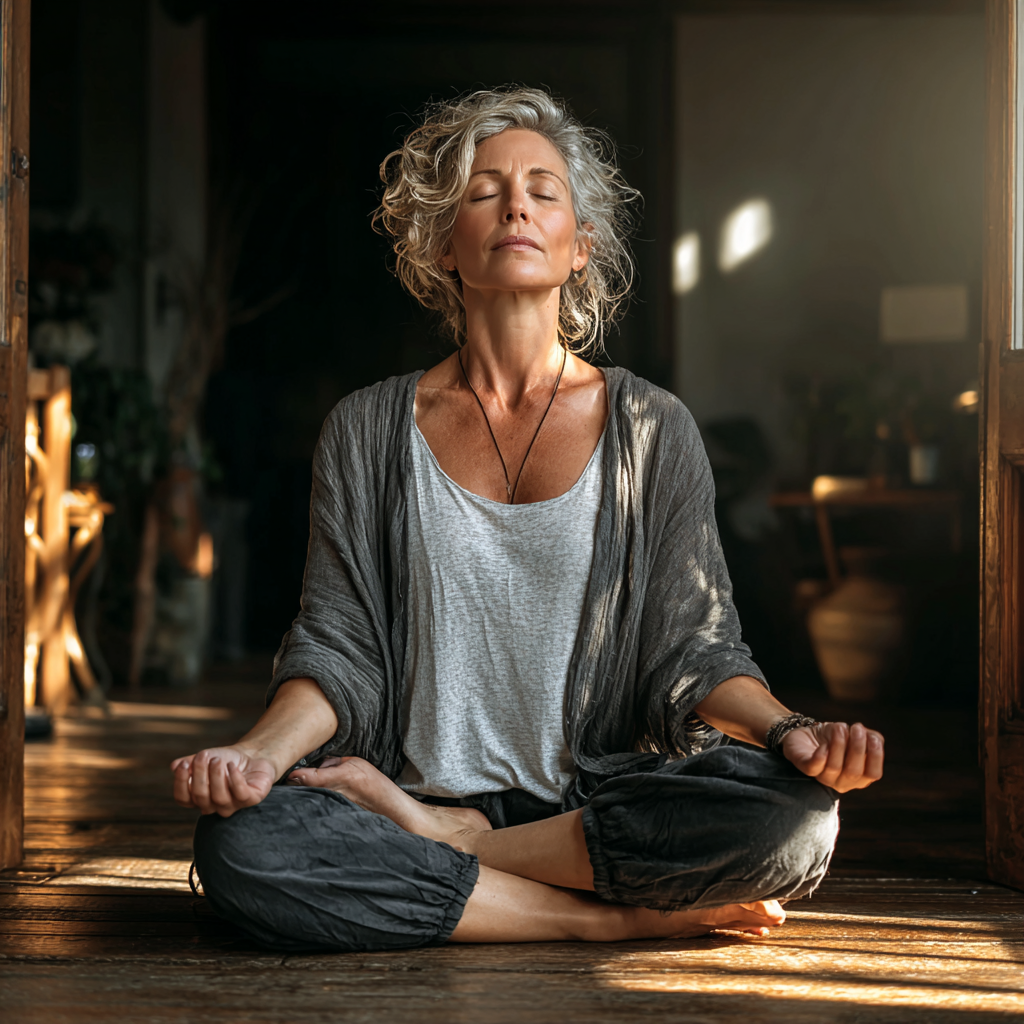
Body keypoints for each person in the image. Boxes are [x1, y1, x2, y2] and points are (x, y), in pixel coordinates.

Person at [170, 87, 883, 953]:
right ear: (441, 246)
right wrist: (258, 756)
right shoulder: (365, 430)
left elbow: (694, 649)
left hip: (595, 807)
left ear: (582, 246)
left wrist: (789, 731)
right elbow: (337, 645)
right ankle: (599, 917)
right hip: (414, 794)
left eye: (545, 190)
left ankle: (470, 857)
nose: (516, 204)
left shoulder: (652, 428)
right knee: (243, 843)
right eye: (483, 191)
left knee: (799, 819)